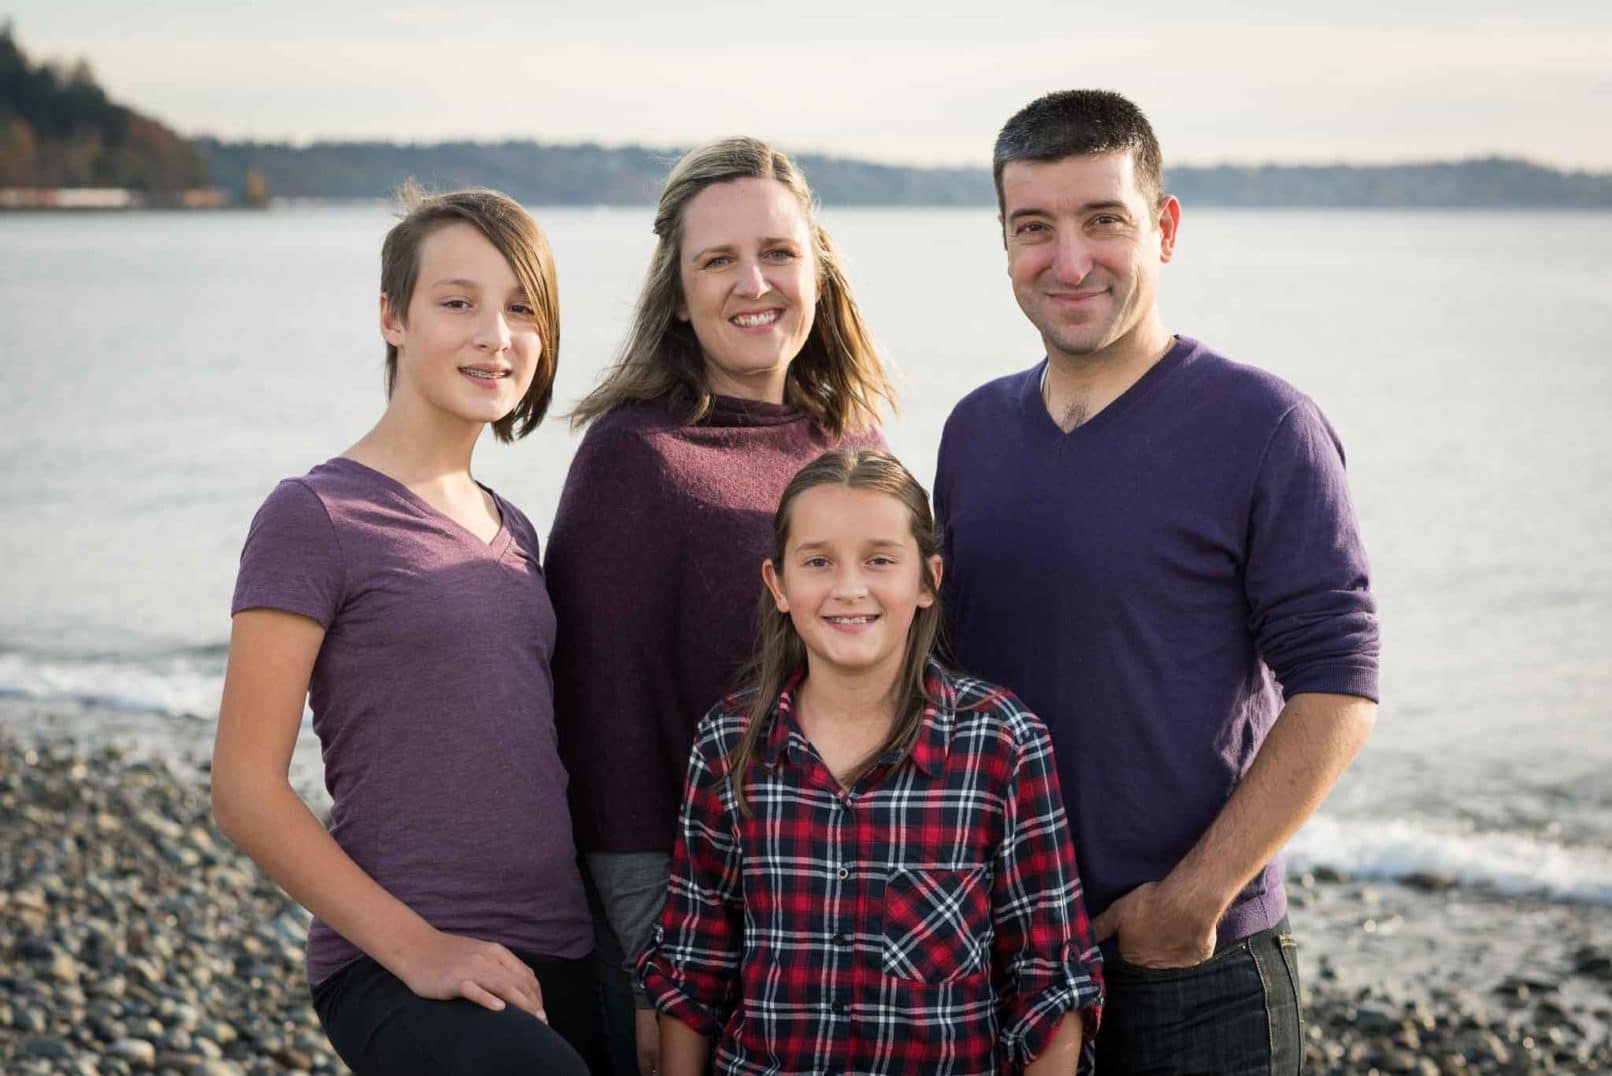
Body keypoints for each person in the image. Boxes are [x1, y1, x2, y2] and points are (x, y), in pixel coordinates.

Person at [934, 90, 1381, 1073]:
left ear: (1164, 227)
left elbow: (1340, 685)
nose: (1069, 260)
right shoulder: (973, 431)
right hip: (1004, 957)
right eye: (1034, 228)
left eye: (1104, 220)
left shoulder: (1263, 425)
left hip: (1196, 962)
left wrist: (1191, 899)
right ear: (1003, 242)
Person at [211, 187, 593, 1075]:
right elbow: (243, 788)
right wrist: (419, 948)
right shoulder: (315, 514)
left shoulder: (516, 528)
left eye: (521, 308)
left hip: (563, 950)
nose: (495, 334)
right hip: (402, 963)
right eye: (457, 303)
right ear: (392, 316)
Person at [544, 137, 892, 1075]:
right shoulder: (637, 458)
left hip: (863, 922)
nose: (754, 282)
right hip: (701, 939)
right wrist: (657, 969)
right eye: (718, 259)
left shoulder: (851, 443)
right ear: (678, 287)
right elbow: (603, 727)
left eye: (777, 252)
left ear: (816, 264)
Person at [639, 448, 1104, 1075]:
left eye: (880, 560)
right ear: (779, 585)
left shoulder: (1001, 741)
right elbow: (694, 969)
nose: (849, 588)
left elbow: (1051, 979)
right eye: (818, 562)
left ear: (927, 581)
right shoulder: (729, 742)